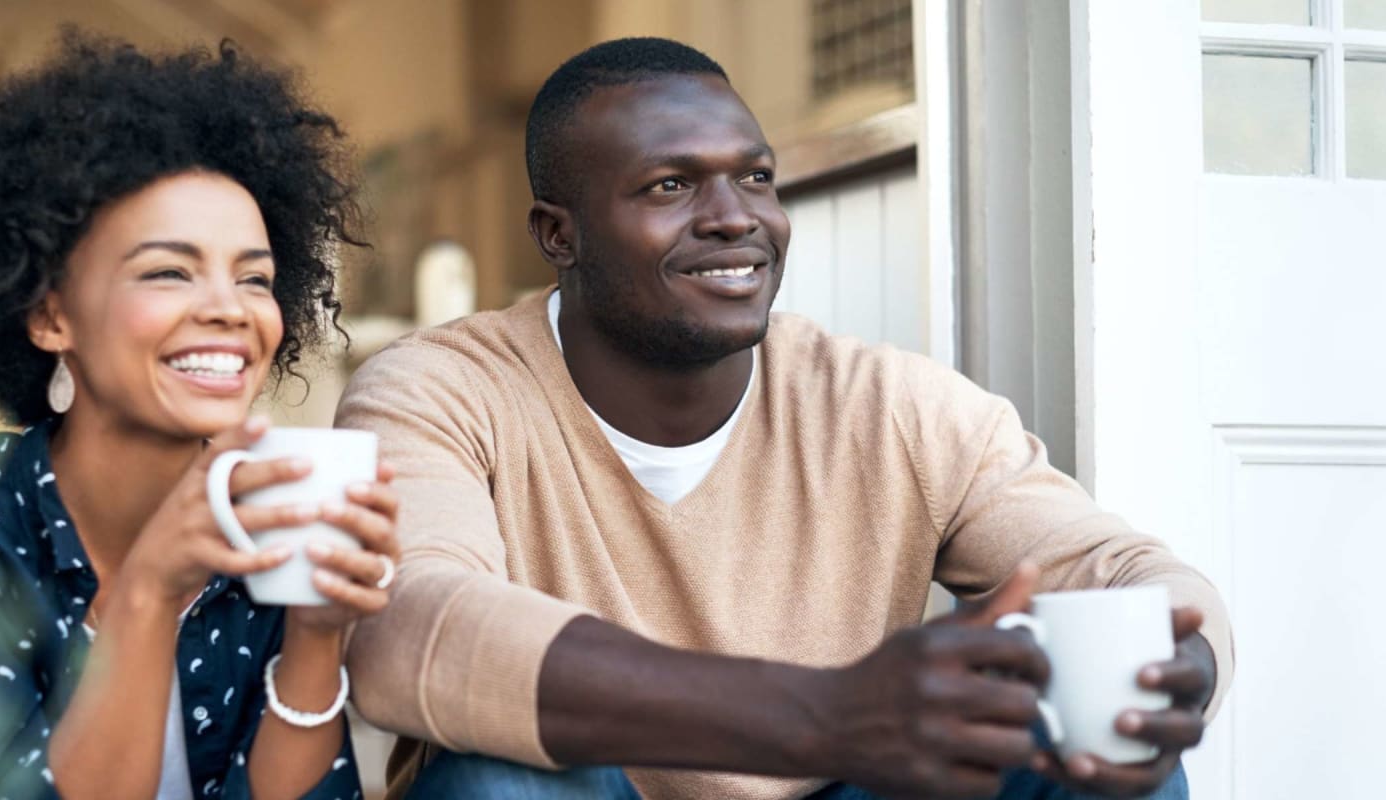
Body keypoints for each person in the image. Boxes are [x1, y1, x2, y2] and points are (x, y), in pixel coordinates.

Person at [336, 37, 1231, 800]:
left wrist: (1179, 663)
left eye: (755, 178)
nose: (736, 219)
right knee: (504, 776)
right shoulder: (436, 390)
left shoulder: (892, 406)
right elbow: (409, 628)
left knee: (1096, 750)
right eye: (669, 186)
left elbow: (1121, 568)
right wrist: (828, 715)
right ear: (558, 234)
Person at [0, 33, 399, 800]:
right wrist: (147, 589)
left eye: (255, 279)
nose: (229, 309)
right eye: (169, 271)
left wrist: (314, 633)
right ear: (48, 316)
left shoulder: (267, 524)